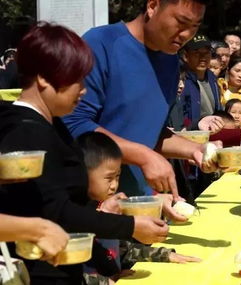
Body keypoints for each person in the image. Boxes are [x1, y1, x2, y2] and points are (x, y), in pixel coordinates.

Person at [0, 22, 167, 285]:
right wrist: (130, 226)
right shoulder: (26, 131)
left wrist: (107, 259)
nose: (84, 89)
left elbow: (66, 205)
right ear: (43, 77)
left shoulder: (52, 125)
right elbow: (56, 211)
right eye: (77, 78)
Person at [62, 0, 216, 201]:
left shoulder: (170, 61)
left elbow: (150, 132)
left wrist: (195, 150)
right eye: (181, 22)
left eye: (195, 26)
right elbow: (73, 124)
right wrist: (142, 156)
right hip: (91, 207)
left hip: (139, 205)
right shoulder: (100, 44)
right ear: (152, 6)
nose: (187, 34)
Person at [76, 132, 200, 285]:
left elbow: (122, 250)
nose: (114, 185)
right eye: (108, 178)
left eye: (117, 177)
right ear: (83, 174)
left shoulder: (109, 206)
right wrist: (103, 281)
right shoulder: (75, 217)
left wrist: (163, 255)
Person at [181, 34, 222, 128]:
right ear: (186, 56)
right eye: (197, 53)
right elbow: (179, 116)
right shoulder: (181, 81)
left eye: (207, 53)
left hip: (214, 133)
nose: (203, 57)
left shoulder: (212, 78)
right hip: (191, 135)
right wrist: (191, 126)